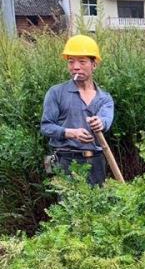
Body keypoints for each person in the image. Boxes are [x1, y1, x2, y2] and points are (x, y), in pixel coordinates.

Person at [40, 35, 115, 186]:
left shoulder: (104, 98)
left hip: (96, 162)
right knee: (68, 208)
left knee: (98, 206)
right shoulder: (56, 93)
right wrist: (71, 133)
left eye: (82, 61)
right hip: (66, 161)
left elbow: (105, 120)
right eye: (71, 61)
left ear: (94, 64)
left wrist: (99, 123)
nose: (76, 66)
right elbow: (46, 127)